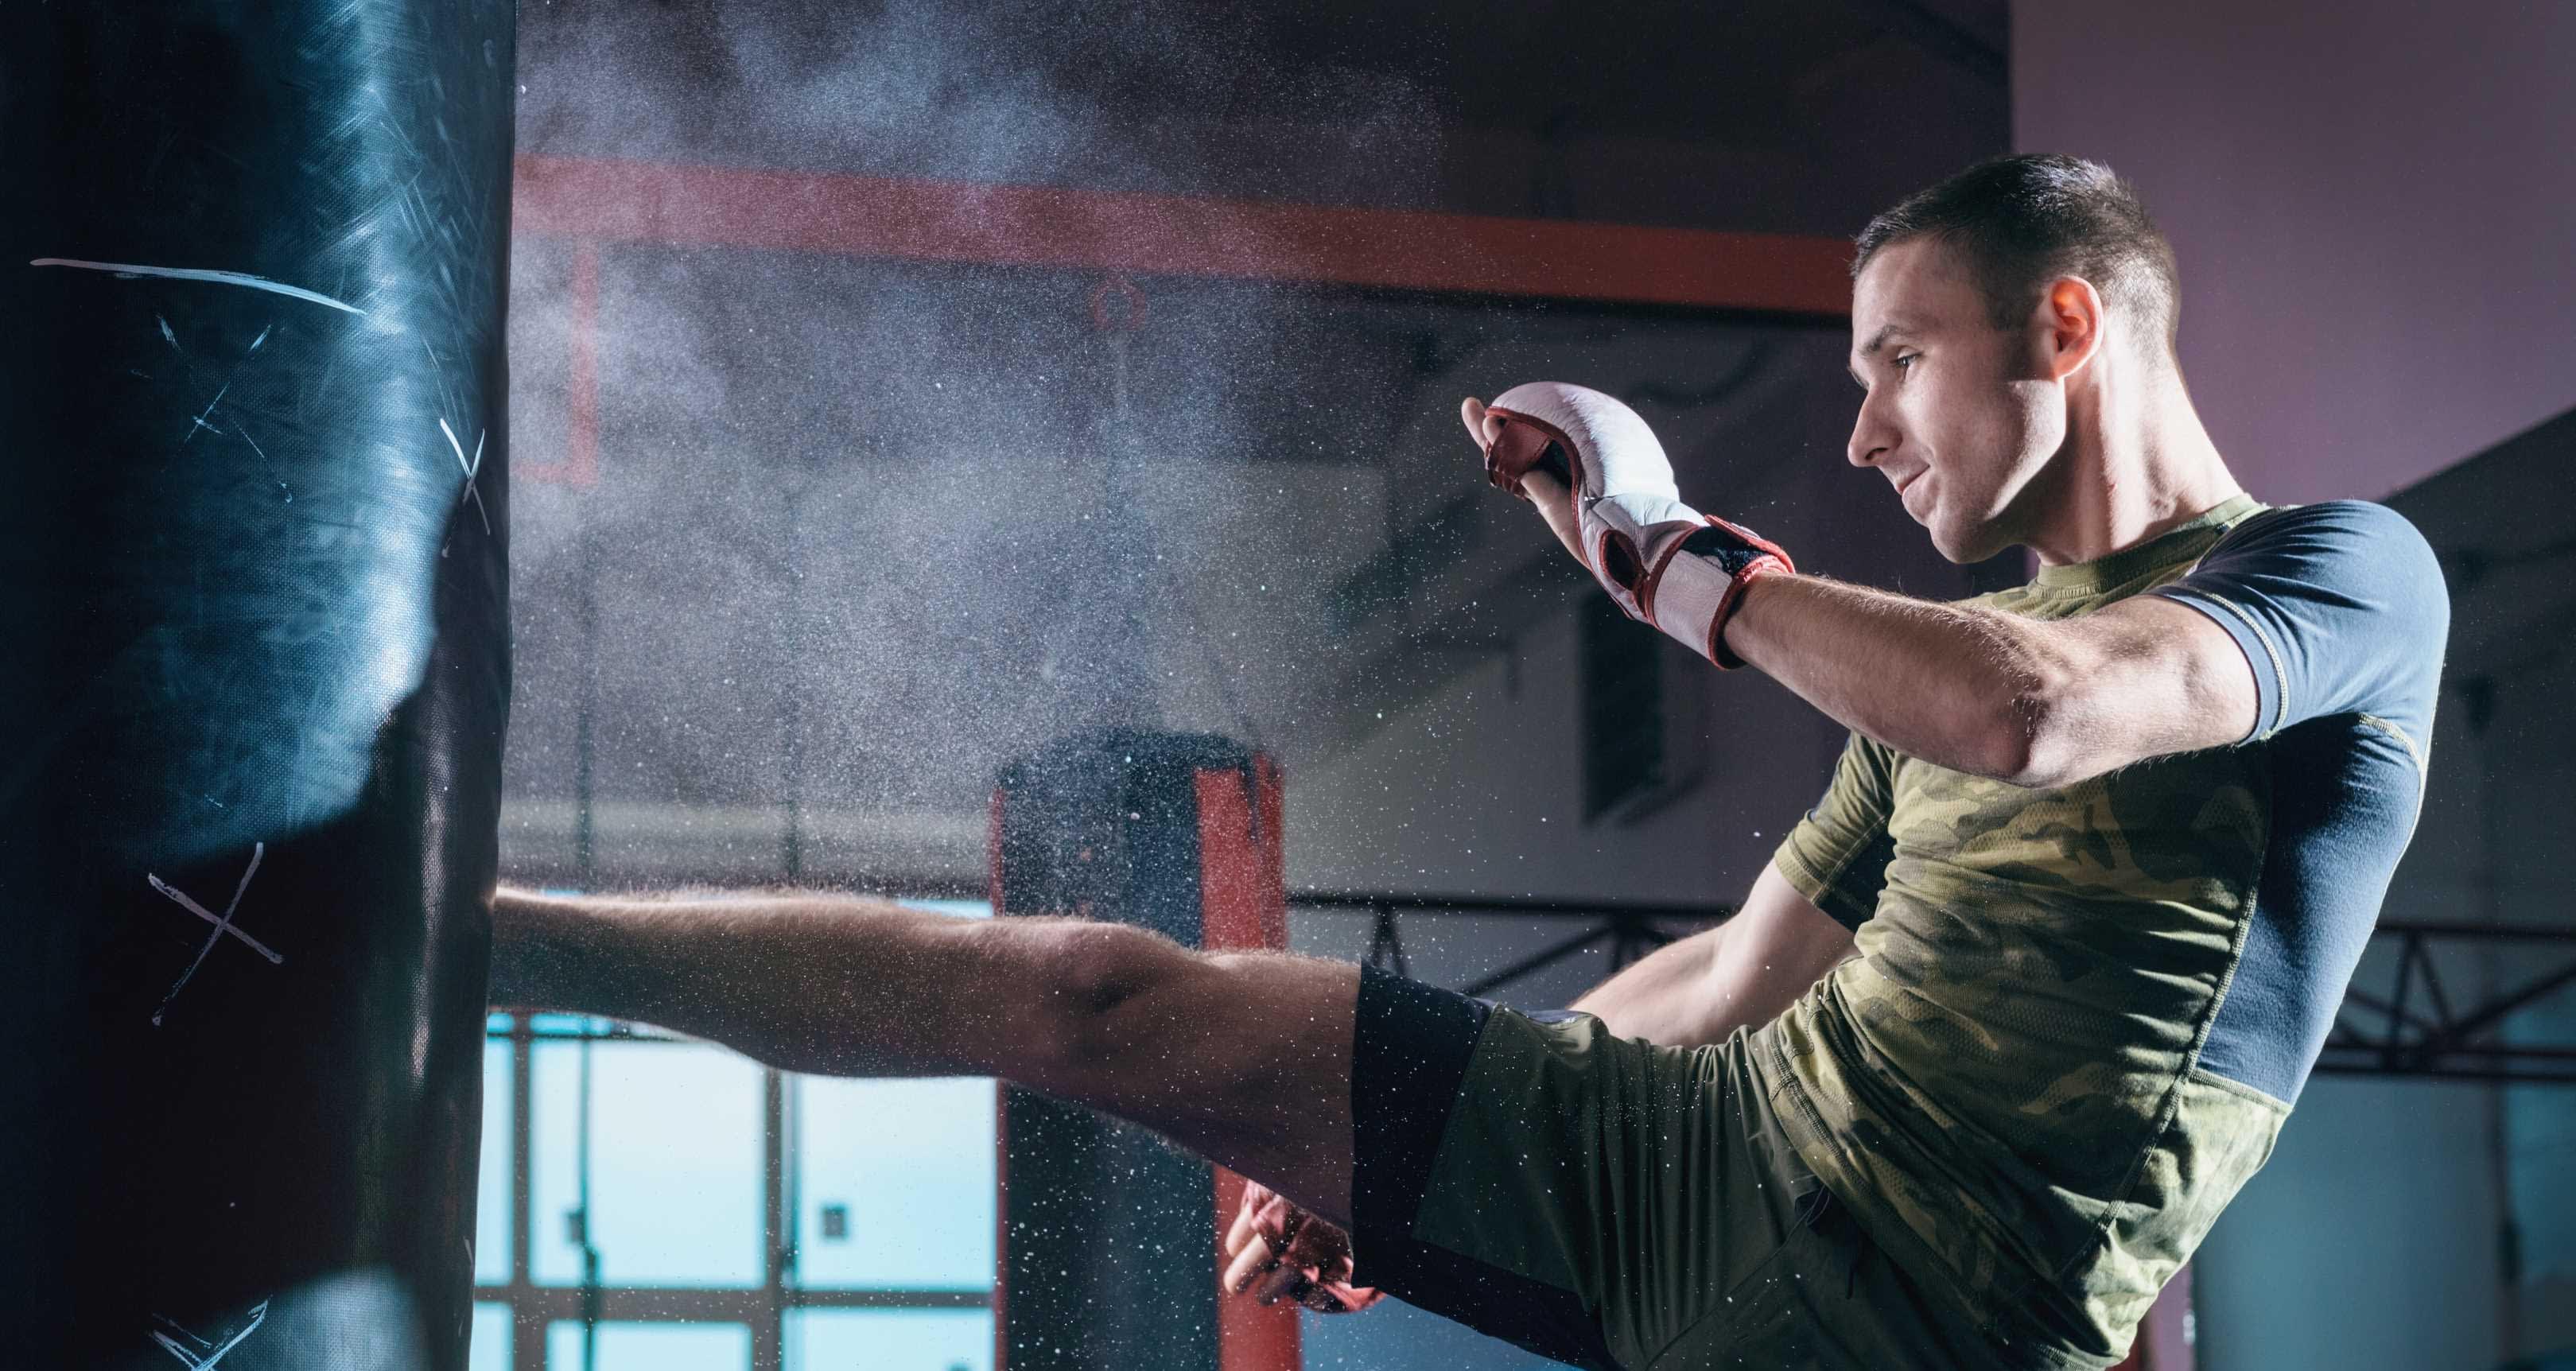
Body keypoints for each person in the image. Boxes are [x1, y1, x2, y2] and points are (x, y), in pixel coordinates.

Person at [489, 154, 2449, 1369]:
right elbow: (1726, 971)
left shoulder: (2335, 576)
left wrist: (1673, 563)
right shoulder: (1930, 679)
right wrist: (1390, 1165)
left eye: (1891, 359)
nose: (1859, 429)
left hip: (1937, 1320)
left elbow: (2042, 711)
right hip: (1683, 1157)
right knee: (1095, 988)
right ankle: (490, 936)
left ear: (2068, 324)